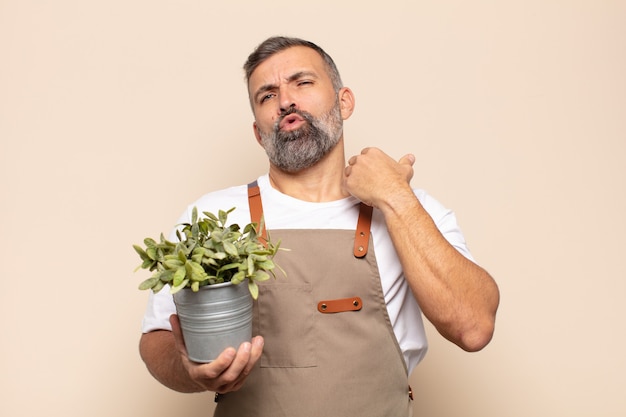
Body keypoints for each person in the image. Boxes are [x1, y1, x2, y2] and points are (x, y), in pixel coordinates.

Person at [139, 36, 500, 417]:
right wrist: (194, 371)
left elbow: (474, 327)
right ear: (258, 132)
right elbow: (156, 341)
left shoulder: (412, 210)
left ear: (344, 102)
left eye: (303, 83)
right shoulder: (214, 216)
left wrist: (395, 196)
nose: (285, 101)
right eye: (267, 95)